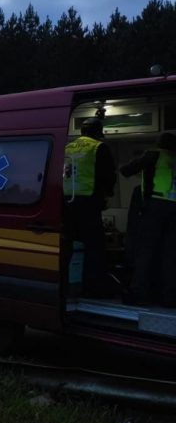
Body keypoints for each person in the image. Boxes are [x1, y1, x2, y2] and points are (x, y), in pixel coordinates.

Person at [119, 132, 176, 306]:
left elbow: (126, 171)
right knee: (170, 255)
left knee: (145, 251)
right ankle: (169, 297)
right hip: (174, 209)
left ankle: (139, 294)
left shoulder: (154, 154)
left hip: (155, 206)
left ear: (160, 143)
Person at [63, 117, 117, 297]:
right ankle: (92, 288)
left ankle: (66, 284)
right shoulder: (98, 147)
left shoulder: (67, 147)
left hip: (67, 204)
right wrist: (107, 195)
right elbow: (108, 175)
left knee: (68, 246)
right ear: (97, 132)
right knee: (94, 247)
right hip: (89, 204)